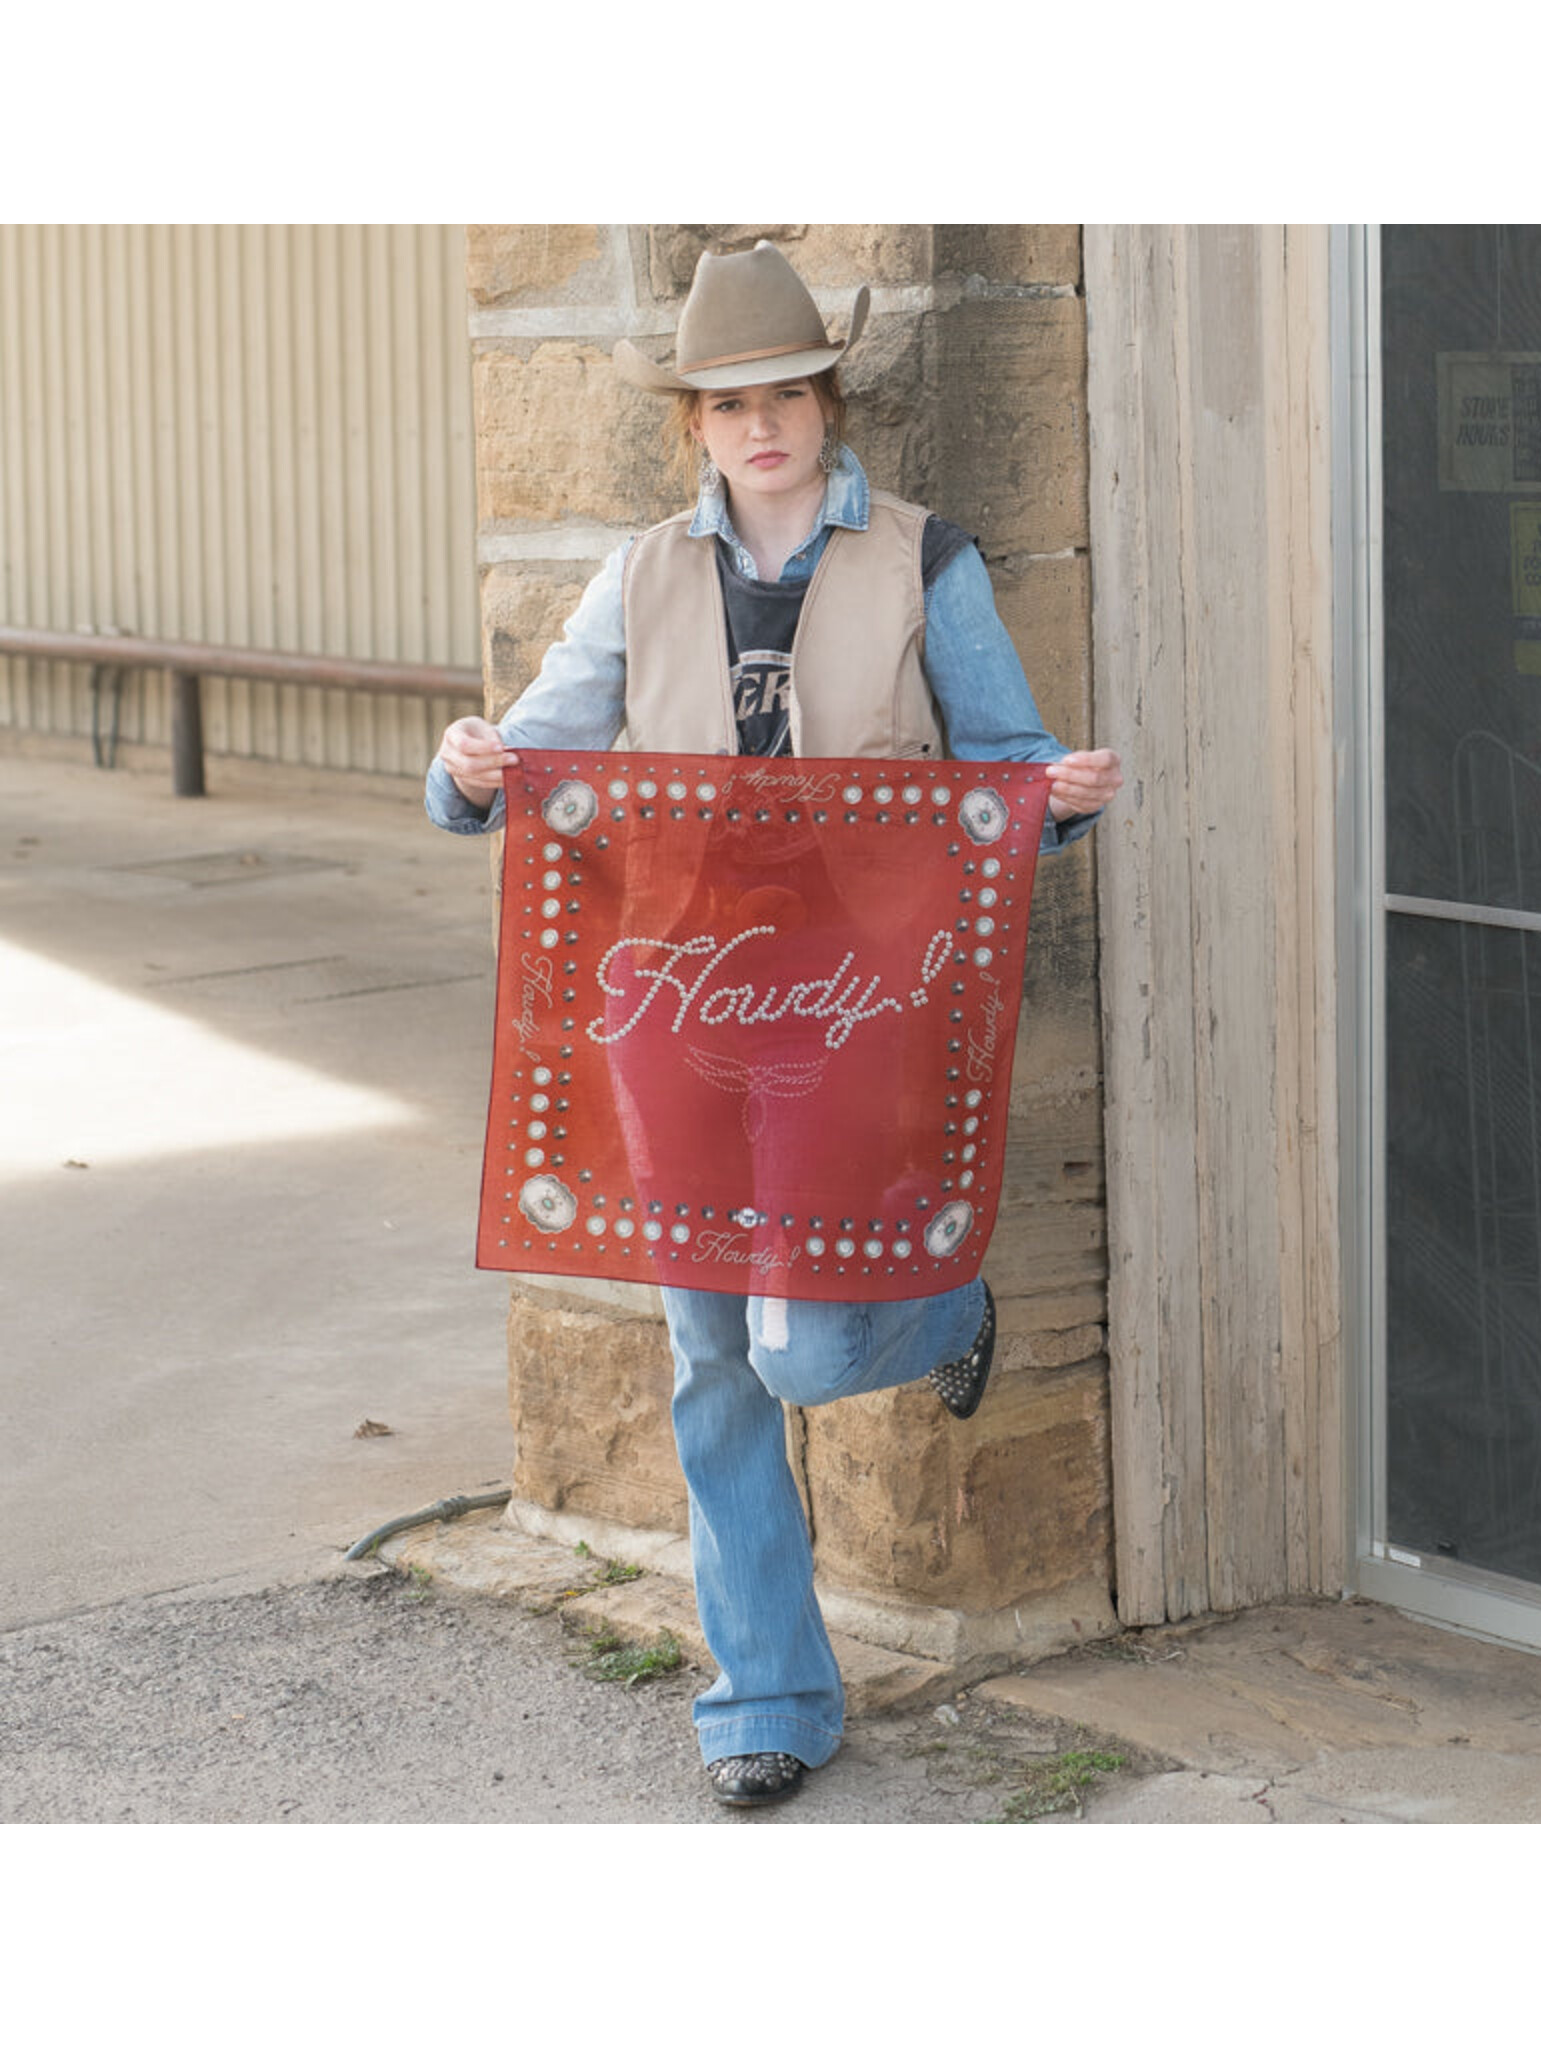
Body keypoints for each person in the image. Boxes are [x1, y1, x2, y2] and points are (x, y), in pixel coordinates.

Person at [427, 240, 1123, 1810]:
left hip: (856, 1009)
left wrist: (1058, 797)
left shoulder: (928, 561)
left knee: (800, 1348)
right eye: (732, 403)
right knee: (711, 1359)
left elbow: (1005, 763)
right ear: (695, 422)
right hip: (676, 1006)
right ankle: (769, 1699)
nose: (763, 425)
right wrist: (466, 771)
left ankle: (942, 1308)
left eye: (788, 396)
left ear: (826, 403)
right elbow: (537, 753)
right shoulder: (640, 575)